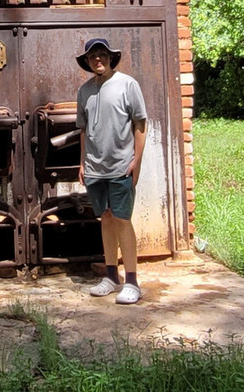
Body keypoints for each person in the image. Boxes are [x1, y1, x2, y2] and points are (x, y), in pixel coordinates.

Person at [75, 37, 148, 304]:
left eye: (102, 54)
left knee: (122, 220)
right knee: (105, 219)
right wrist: (82, 162)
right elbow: (83, 130)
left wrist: (136, 161)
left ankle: (132, 281)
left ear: (110, 57)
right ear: (87, 61)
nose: (98, 59)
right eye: (92, 56)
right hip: (95, 168)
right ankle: (111, 276)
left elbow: (140, 124)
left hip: (121, 166)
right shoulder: (84, 91)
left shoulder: (128, 85)